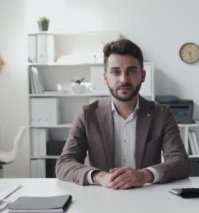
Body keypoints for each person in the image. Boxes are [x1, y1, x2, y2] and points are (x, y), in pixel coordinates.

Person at [55, 39, 190, 189]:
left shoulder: (162, 114)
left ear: (143, 75)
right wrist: (99, 176)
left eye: (131, 71)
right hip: (101, 199)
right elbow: (64, 164)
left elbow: (180, 162)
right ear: (105, 77)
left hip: (148, 198)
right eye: (115, 72)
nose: (124, 79)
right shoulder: (87, 115)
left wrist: (144, 175)